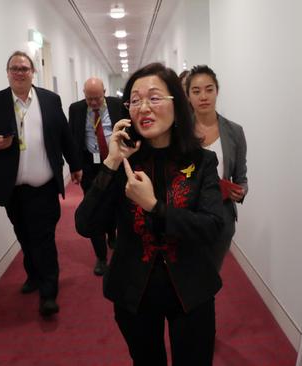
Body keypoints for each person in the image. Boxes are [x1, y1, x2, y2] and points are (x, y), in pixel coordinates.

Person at [75, 62, 224, 365]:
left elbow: (212, 228)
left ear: (176, 104)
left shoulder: (202, 161)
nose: (144, 107)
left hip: (191, 289)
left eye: (154, 97)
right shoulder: (122, 162)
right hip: (133, 291)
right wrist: (112, 161)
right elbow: (86, 224)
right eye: (135, 100)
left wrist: (155, 207)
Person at [0, 50, 82, 317]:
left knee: (43, 238)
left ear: (33, 72)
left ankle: (48, 293)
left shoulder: (50, 100)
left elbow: (64, 135)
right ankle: (34, 274)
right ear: (7, 73)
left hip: (44, 186)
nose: (19, 72)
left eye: (24, 68)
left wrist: (75, 166)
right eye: (14, 68)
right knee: (24, 234)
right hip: (12, 188)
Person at [186, 65, 248, 271]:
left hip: (221, 215)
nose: (203, 96)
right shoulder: (180, 132)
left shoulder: (235, 132)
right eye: (196, 91)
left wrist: (240, 191)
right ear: (188, 96)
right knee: (187, 274)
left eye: (209, 89)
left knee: (211, 274)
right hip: (187, 214)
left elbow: (241, 177)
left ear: (217, 92)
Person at [68, 77, 124, 276]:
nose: (93, 103)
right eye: (88, 98)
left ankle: (112, 232)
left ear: (104, 92)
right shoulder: (75, 109)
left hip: (116, 165)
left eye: (97, 98)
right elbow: (73, 138)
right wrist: (75, 166)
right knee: (94, 208)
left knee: (116, 204)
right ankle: (101, 257)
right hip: (90, 167)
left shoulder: (118, 105)